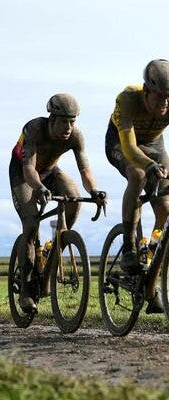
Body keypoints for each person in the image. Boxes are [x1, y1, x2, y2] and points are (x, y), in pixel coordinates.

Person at [10, 93, 104, 312]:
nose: (69, 127)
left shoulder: (76, 137)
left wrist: (94, 190)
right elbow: (29, 169)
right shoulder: (34, 129)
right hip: (24, 173)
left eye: (72, 122)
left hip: (51, 171)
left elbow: (85, 170)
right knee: (31, 223)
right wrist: (40, 188)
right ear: (51, 119)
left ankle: (53, 253)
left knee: (74, 199)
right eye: (64, 121)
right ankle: (26, 288)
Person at [105, 59, 169, 313]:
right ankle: (130, 247)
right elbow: (130, 148)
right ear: (146, 90)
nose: (164, 103)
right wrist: (149, 165)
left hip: (155, 145)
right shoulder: (128, 99)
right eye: (160, 97)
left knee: (164, 204)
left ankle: (152, 252)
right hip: (122, 142)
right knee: (138, 175)